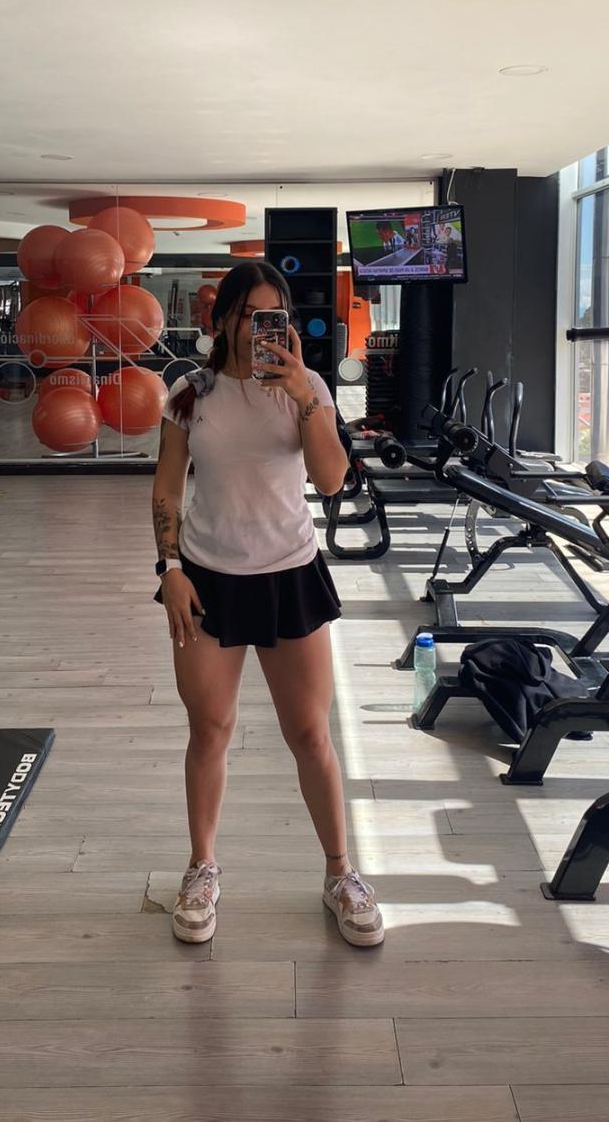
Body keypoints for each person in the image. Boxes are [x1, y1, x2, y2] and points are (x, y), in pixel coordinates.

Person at [151, 261, 385, 949]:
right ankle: (202, 869)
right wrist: (169, 569)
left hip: (290, 574)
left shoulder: (307, 389)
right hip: (207, 578)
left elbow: (332, 481)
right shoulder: (189, 393)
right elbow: (167, 487)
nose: (262, 329)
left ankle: (340, 874)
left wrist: (305, 395)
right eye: (252, 315)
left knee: (310, 735)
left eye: (273, 315)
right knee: (210, 731)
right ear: (223, 318)